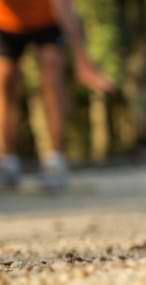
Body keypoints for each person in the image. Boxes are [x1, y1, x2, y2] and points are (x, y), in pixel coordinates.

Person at [0, 0, 112, 191]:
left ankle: (56, 161)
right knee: (5, 77)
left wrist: (81, 61)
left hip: (47, 19)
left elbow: (66, 7)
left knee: (52, 69)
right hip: (5, 22)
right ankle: (6, 162)